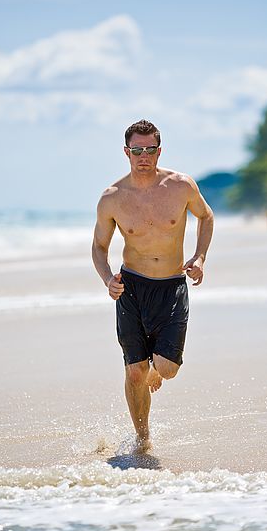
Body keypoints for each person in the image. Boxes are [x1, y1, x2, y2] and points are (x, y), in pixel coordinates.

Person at [92, 119, 214, 451]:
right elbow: (99, 248)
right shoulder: (112, 198)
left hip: (172, 287)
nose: (143, 156)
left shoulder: (181, 186)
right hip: (131, 288)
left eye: (149, 149)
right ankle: (143, 437)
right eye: (136, 150)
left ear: (159, 151)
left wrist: (199, 257)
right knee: (135, 372)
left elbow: (206, 216)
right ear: (126, 152)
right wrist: (107, 280)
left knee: (166, 369)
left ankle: (156, 369)